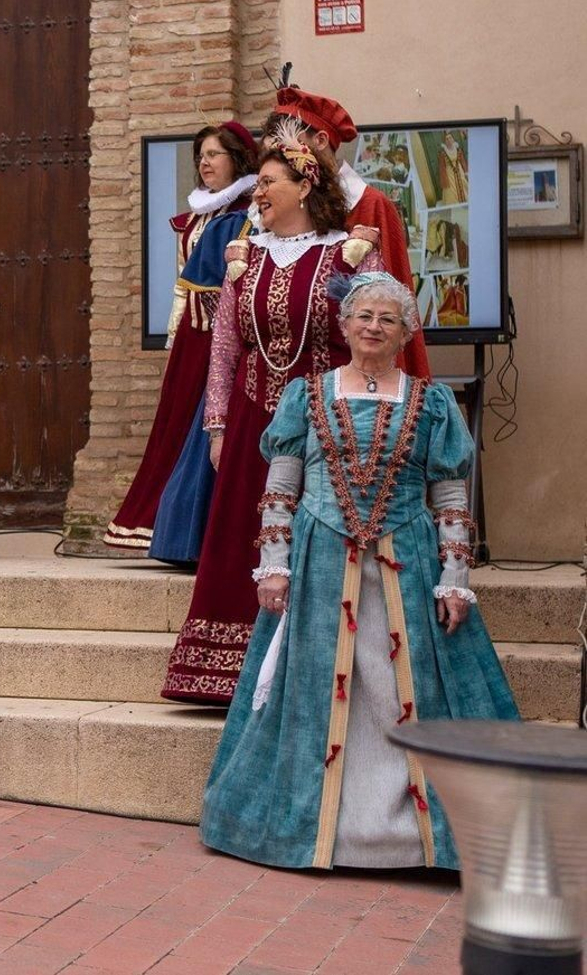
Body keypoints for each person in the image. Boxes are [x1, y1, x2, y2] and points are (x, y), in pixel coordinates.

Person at [199, 273, 517, 870]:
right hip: (319, 567)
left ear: (405, 331)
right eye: (363, 316)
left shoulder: (432, 402)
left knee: (413, 689)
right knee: (319, 691)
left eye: (388, 319)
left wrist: (456, 579)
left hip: (411, 566)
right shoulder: (305, 396)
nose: (374, 326)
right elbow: (281, 489)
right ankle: (324, 835)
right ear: (344, 327)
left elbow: (450, 496)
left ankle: (414, 839)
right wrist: (274, 567)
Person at [160, 121, 384, 705]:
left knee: (317, 545)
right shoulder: (244, 256)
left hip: (325, 424)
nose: (256, 192)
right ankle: (225, 673)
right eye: (256, 182)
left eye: (267, 182)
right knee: (241, 542)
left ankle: (315, 672)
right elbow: (226, 348)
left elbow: (372, 338)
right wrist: (216, 424)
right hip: (252, 421)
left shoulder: (349, 252)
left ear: (305, 185)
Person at [105, 122, 258, 555]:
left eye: (214, 154)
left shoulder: (248, 212)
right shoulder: (200, 213)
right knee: (175, 428)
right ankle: (162, 527)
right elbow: (182, 287)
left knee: (210, 427)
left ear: (238, 159)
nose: (205, 163)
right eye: (201, 156)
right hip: (192, 339)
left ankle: (198, 535)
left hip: (222, 339)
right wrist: (176, 339)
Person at [268, 84, 432, 379]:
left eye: (289, 142)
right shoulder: (273, 209)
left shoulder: (369, 205)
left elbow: (388, 306)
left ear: (319, 140)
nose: (281, 154)